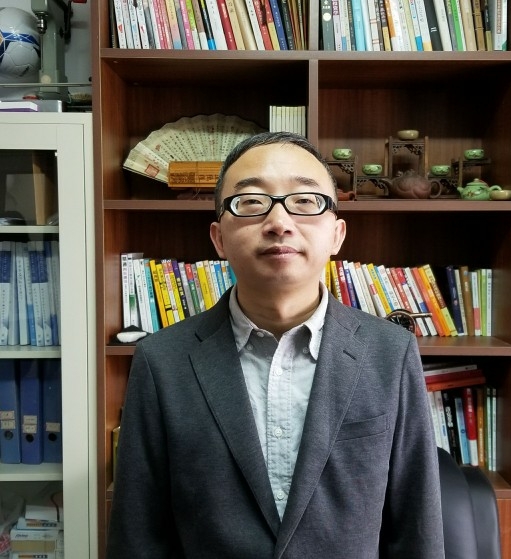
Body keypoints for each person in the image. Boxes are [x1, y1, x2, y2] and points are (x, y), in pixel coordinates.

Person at [106, 131, 445, 558]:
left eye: (305, 201)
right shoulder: (162, 361)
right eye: (251, 202)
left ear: (337, 234)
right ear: (219, 238)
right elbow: (138, 536)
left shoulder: (390, 353)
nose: (280, 222)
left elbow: (415, 527)